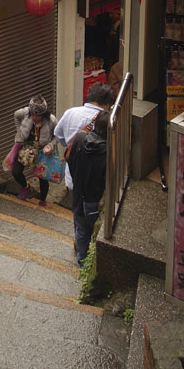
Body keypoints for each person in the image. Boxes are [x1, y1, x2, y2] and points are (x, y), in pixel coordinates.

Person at [54, 82, 115, 197]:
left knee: (76, 207)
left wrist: (70, 146)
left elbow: (57, 133)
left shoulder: (70, 112)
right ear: (107, 103)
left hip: (71, 175)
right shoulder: (107, 121)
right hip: (94, 178)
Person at [66, 109, 109, 264]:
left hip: (79, 193)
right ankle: (88, 261)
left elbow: (70, 160)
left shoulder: (80, 138)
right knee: (92, 229)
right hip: (95, 198)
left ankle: (82, 258)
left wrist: (77, 180)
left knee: (81, 225)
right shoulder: (108, 151)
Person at [11, 95, 58, 207]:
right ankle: (26, 187)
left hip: (43, 150)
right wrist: (20, 132)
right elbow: (16, 116)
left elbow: (58, 136)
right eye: (33, 114)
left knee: (42, 177)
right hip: (27, 146)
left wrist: (50, 145)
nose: (35, 117)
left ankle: (42, 200)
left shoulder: (52, 120)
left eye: (38, 115)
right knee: (16, 171)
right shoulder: (24, 113)